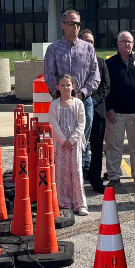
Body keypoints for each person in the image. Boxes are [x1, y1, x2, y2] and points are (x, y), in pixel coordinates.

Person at [43, 9, 100, 175]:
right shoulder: (53, 50)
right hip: (61, 104)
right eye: (71, 23)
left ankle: (78, 178)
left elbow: (94, 76)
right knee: (63, 143)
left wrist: (81, 93)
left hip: (83, 102)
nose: (75, 27)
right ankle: (63, 179)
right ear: (62, 25)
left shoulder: (88, 49)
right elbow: (50, 76)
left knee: (81, 141)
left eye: (77, 24)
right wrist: (63, 96)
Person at [104, 30, 135, 188]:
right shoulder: (110, 63)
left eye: (129, 41)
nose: (127, 44)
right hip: (115, 113)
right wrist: (109, 108)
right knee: (113, 146)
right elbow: (106, 88)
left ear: (133, 44)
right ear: (118, 44)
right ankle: (114, 176)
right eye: (124, 41)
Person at [47, 74, 89, 216]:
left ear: (73, 87)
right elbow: (53, 124)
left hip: (74, 142)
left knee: (76, 170)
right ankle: (64, 202)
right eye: (63, 85)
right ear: (57, 87)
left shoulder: (78, 104)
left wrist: (71, 140)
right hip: (60, 144)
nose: (66, 87)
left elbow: (82, 123)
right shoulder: (55, 104)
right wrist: (63, 140)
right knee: (62, 171)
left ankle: (80, 203)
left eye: (68, 85)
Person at [78, 29, 110, 192]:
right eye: (86, 41)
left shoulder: (101, 62)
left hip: (98, 112)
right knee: (79, 147)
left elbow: (106, 86)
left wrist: (94, 101)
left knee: (97, 148)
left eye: (92, 41)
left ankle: (96, 180)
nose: (90, 44)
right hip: (78, 112)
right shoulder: (75, 62)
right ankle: (78, 181)